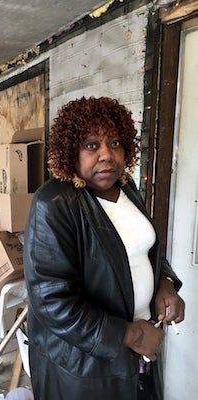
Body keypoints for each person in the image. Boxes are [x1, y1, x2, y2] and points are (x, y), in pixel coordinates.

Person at [23, 96, 185, 400]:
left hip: (135, 349)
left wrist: (165, 283)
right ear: (70, 150)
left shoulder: (127, 188)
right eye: (92, 145)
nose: (107, 156)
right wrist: (134, 334)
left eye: (115, 143)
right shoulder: (54, 203)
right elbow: (51, 301)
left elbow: (139, 250)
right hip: (84, 366)